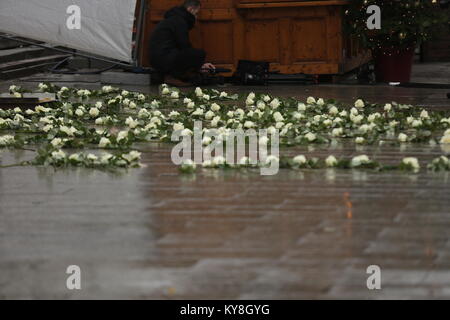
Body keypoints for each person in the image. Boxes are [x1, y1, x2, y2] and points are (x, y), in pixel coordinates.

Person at [149, 0, 215, 86]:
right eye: (196, 13)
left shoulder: (174, 18)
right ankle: (172, 77)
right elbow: (184, 45)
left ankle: (173, 76)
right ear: (190, 9)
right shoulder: (179, 21)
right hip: (164, 59)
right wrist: (200, 64)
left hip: (158, 58)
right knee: (199, 54)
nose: (196, 17)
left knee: (192, 54)